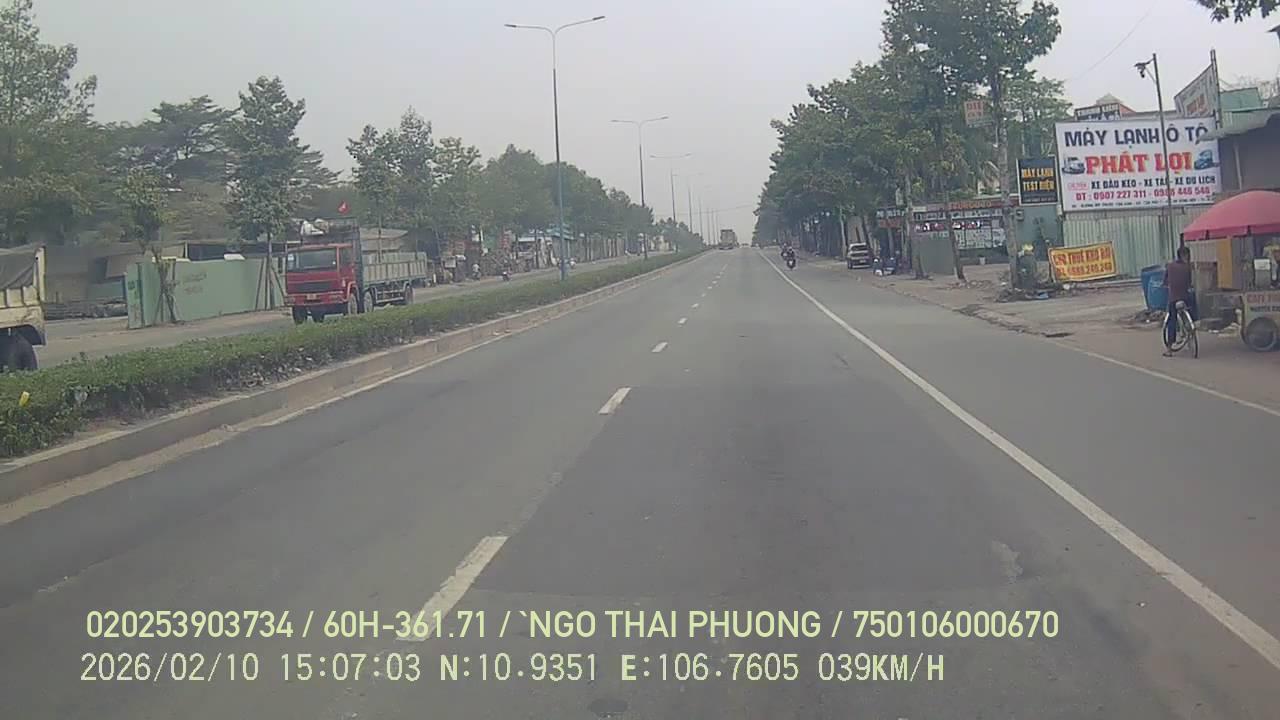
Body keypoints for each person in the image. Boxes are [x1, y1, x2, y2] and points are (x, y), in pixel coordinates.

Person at [1162, 245, 1196, 354]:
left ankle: (1169, 348)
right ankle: (1191, 324)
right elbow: (1190, 283)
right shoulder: (1188, 267)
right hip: (1185, 297)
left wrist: (1166, 285)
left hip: (1173, 298)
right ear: (1184, 256)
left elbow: (1165, 281)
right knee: (1192, 306)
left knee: (1172, 320)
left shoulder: (1170, 266)